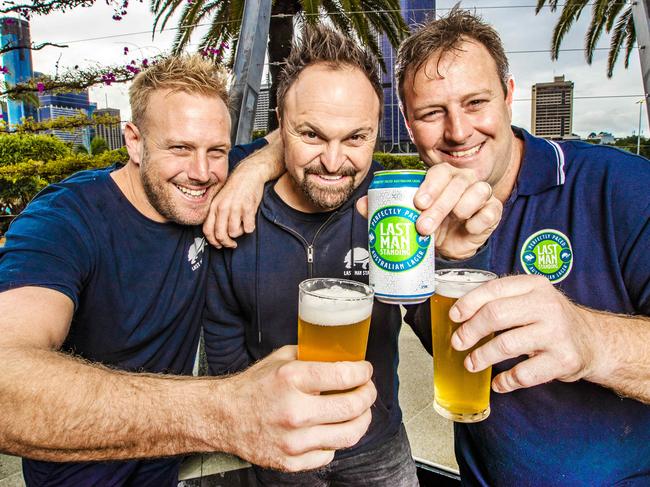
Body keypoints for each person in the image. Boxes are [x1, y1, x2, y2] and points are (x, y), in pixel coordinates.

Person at [0, 55, 377, 487]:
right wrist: (223, 410)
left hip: (161, 471)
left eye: (216, 151)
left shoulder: (215, 183)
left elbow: (300, 135)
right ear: (135, 141)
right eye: (179, 148)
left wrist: (250, 172)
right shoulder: (64, 220)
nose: (200, 173)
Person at [394, 9, 650, 485]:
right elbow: (452, 353)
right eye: (432, 113)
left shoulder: (621, 186)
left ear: (509, 96)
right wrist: (453, 258)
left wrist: (591, 339)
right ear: (409, 126)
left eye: (475, 102)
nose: (457, 131)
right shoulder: (416, 222)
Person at [203, 25, 425, 486]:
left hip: (377, 443)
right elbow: (223, 343)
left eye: (356, 138)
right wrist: (251, 429)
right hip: (278, 451)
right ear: (280, 129)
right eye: (312, 135)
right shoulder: (237, 211)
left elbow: (431, 322)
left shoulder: (393, 205)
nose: (332, 160)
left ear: (377, 131)